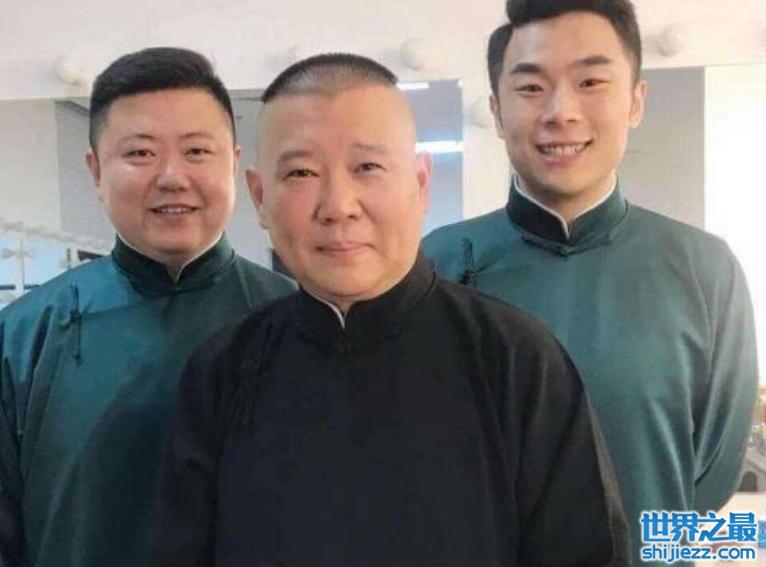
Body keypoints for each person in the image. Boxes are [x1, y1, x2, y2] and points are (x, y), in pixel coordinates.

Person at [155, 52, 628, 567]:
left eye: (368, 167)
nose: (338, 206)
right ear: (260, 196)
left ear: (420, 183)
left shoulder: (516, 359)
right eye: (301, 172)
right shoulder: (222, 370)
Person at [422, 0, 759, 564]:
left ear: (635, 101)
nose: (561, 112)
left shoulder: (705, 268)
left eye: (591, 82)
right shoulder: (438, 263)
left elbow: (709, 478)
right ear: (497, 112)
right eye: (531, 88)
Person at [0, 47, 295, 567]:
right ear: (95, 170)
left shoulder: (296, 322)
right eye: (140, 153)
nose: (172, 177)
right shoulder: (24, 336)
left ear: (233, 163)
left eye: (197, 151)